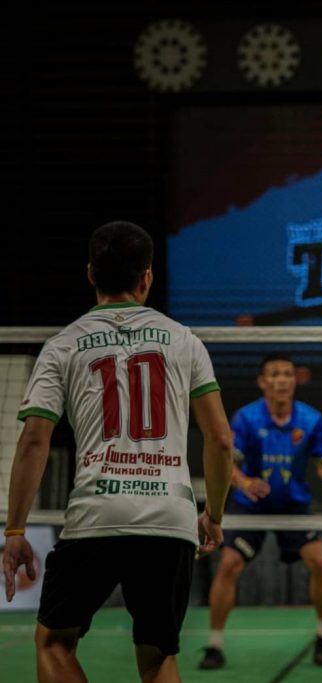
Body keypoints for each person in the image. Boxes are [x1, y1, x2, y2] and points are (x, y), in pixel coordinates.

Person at [2, 221, 234, 683]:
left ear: (90, 274)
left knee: (54, 642)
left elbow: (33, 440)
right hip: (170, 518)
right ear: (146, 278)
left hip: (96, 515)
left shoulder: (62, 345)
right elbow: (221, 439)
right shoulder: (184, 340)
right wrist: (215, 515)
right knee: (158, 659)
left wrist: (14, 528)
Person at [200, 354, 322, 670]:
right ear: (263, 382)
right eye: (275, 374)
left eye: (288, 374)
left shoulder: (311, 419)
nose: (282, 380)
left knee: (319, 561)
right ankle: (214, 644)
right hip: (251, 506)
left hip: (293, 506)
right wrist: (245, 482)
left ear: (295, 381)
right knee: (230, 564)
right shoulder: (246, 419)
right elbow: (227, 465)